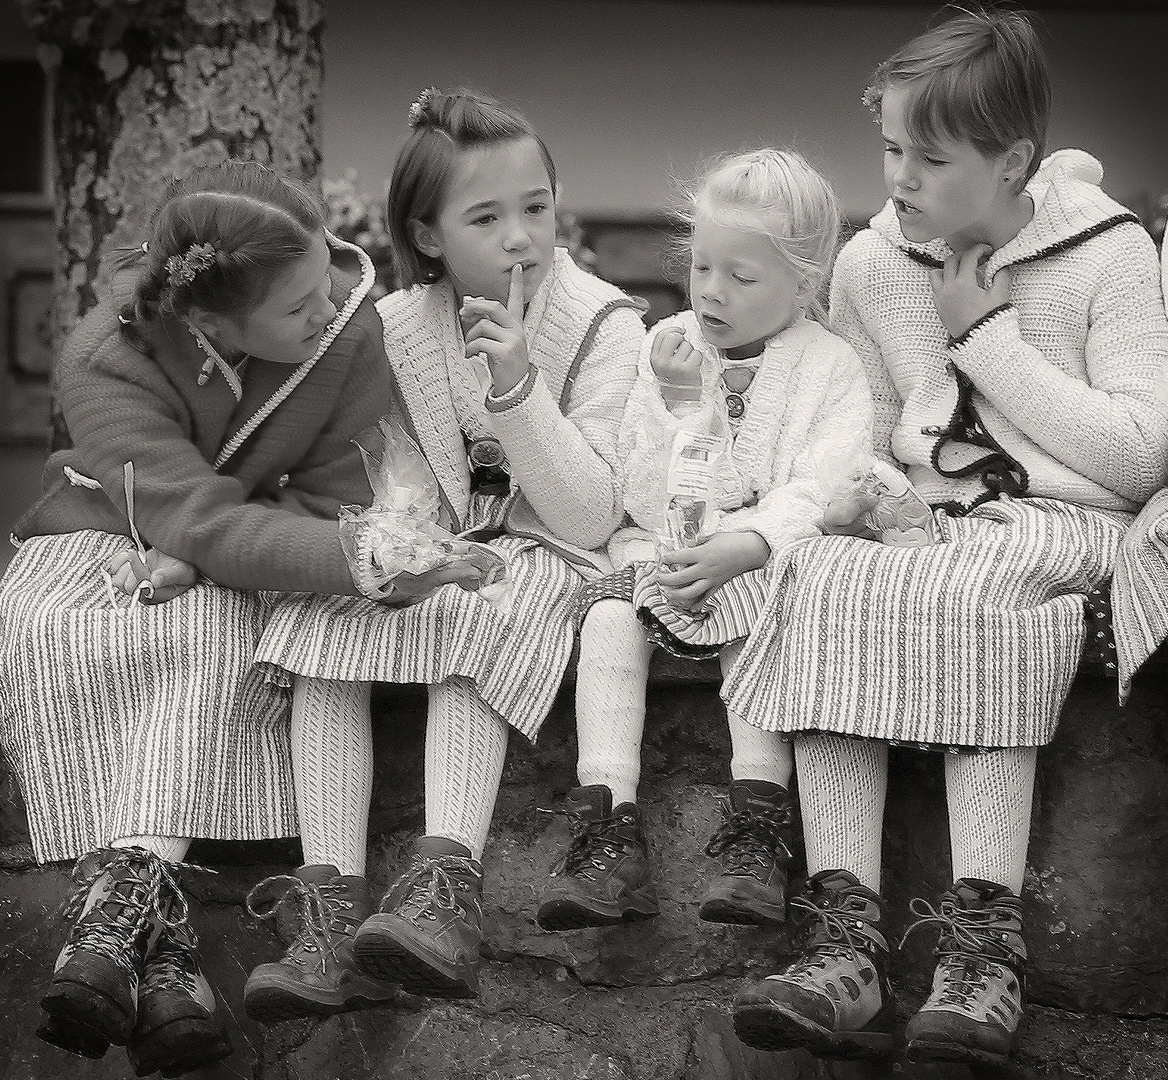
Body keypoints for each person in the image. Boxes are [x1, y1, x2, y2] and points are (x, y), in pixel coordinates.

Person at [724, 6, 1168, 1067]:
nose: (899, 178)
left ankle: (982, 947)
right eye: (889, 149)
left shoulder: (1109, 257)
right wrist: (876, 499)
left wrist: (985, 341)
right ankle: (843, 944)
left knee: (980, 591)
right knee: (824, 579)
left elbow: (1142, 454)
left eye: (929, 156)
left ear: (1012, 159)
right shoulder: (877, 265)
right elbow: (869, 429)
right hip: (931, 525)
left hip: (1068, 521)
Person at [0, 161, 415, 1075]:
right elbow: (191, 506)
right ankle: (164, 956)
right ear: (210, 324)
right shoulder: (103, 358)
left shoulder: (346, 330)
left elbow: (339, 493)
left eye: (326, 281)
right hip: (96, 534)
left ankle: (119, 923)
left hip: (249, 557)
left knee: (215, 636)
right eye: (297, 305)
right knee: (55, 632)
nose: (327, 307)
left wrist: (312, 554)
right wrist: (200, 533)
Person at [244, 87, 645, 1012]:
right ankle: (327, 909)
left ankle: (445, 888)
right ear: (427, 235)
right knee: (327, 624)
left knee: (485, 612)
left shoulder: (601, 321)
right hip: (451, 546)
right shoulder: (398, 327)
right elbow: (405, 473)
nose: (520, 237)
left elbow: (587, 513)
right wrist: (408, 545)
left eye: (536, 208)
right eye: (486, 216)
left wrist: (516, 389)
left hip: (555, 558)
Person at [536, 148, 873, 934]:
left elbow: (820, 487)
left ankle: (756, 828)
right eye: (703, 268)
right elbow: (642, 491)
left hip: (762, 565)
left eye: (743, 278)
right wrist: (686, 405)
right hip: (664, 553)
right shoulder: (669, 349)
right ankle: (609, 830)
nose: (713, 291)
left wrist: (751, 543)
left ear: (806, 281)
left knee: (755, 620)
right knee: (610, 621)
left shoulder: (831, 369)